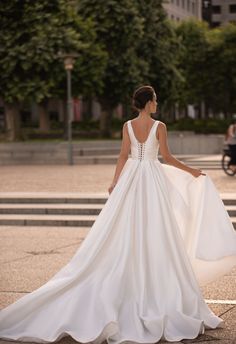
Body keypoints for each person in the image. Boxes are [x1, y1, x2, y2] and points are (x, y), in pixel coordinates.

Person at [0, 85, 236, 343]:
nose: (157, 104)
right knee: (157, 231)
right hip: (151, 179)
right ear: (148, 103)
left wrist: (115, 182)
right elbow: (166, 157)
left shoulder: (127, 126)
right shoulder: (160, 127)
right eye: (155, 100)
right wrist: (191, 171)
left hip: (132, 180)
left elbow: (123, 156)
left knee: (125, 229)